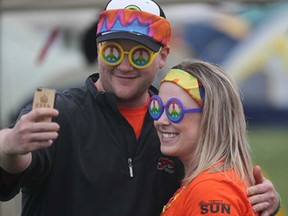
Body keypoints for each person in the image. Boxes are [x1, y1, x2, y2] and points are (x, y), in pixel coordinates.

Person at [0, 0, 280, 215]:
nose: (124, 65)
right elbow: (17, 162)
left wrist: (262, 199)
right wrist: (10, 144)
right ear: (98, 50)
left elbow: (219, 174)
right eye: (112, 51)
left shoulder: (173, 121)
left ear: (163, 56)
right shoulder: (59, 111)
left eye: (140, 54)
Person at [149, 59, 281, 216]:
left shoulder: (211, 189)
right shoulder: (212, 181)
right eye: (157, 107)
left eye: (174, 110)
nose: (161, 121)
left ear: (211, 118)